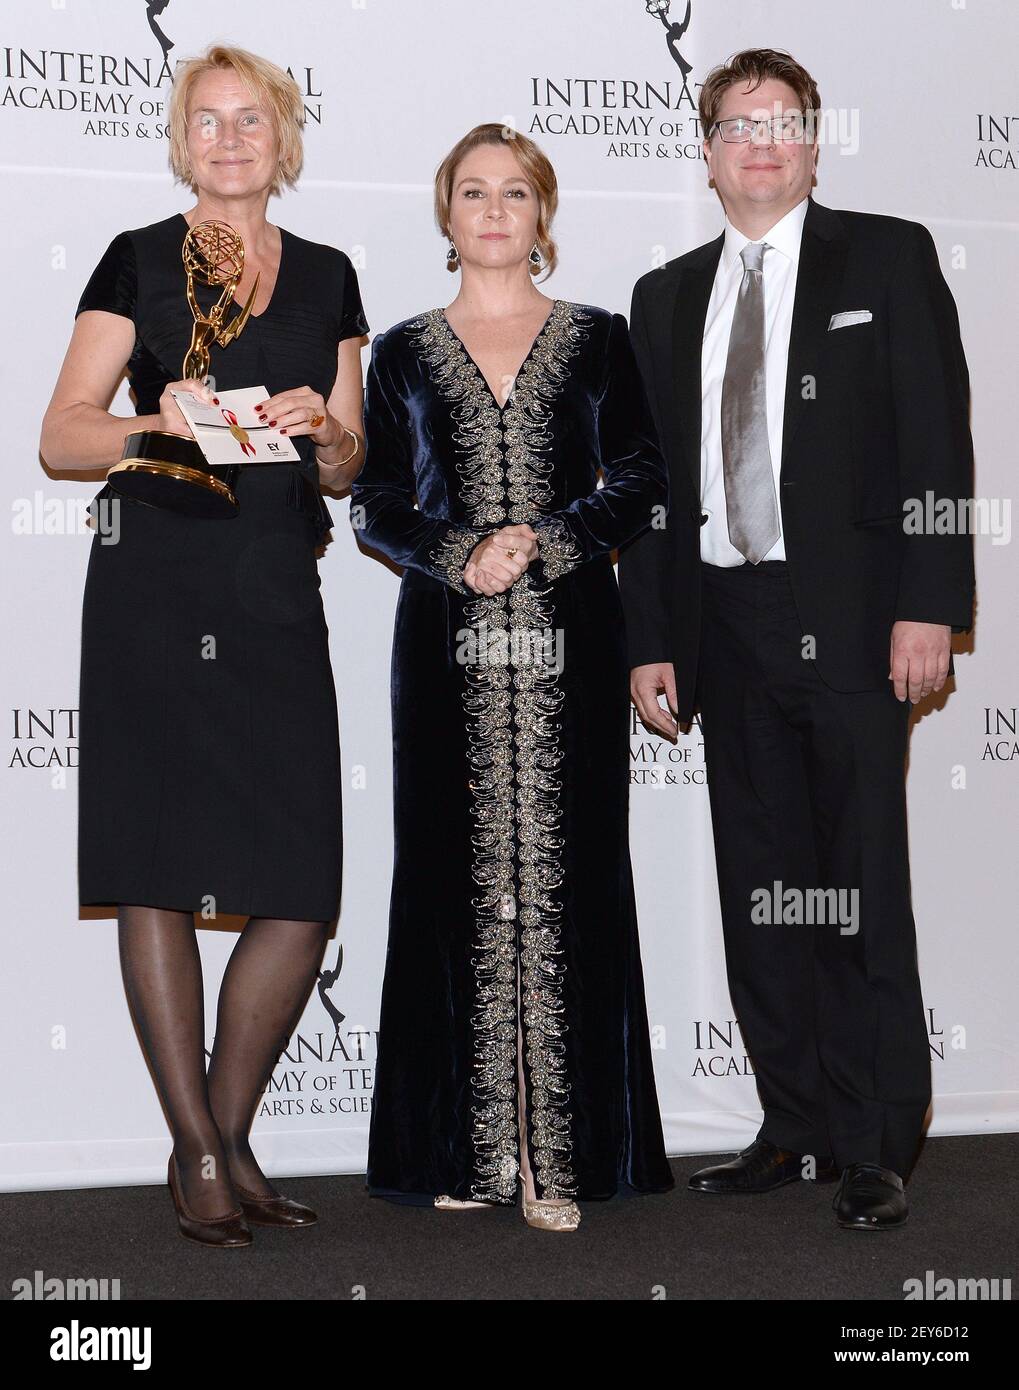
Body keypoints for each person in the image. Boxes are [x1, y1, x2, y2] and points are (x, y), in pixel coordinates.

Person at [619, 48, 975, 1231]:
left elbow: (935, 441)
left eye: (782, 125)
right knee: (764, 887)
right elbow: (659, 488)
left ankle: (876, 1141)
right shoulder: (664, 295)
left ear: (813, 149)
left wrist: (930, 604)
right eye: (736, 125)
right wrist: (651, 636)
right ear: (708, 153)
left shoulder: (887, 255)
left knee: (859, 884)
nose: (759, 143)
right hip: (725, 623)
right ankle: (793, 1125)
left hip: (861, 620)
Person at [39, 44, 368, 1247]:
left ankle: (222, 1130)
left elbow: (350, 463)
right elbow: (63, 439)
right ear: (183, 142)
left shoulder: (331, 276)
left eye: (250, 120)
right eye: (207, 121)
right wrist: (148, 414)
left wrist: (325, 426)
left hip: (276, 581)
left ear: (284, 137)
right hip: (156, 586)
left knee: (298, 882)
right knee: (158, 860)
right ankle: (199, 1152)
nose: (230, 139)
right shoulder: (137, 258)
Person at [351, 124, 674, 1230]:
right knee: (451, 879)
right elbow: (377, 502)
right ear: (445, 214)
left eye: (516, 193)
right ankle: (470, 1148)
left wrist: (544, 538)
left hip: (571, 632)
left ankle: (559, 1158)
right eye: (473, 193)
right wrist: (457, 553)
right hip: (442, 641)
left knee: (569, 873)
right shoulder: (396, 353)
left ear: (542, 212)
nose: (494, 211)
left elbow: (638, 474)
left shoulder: (595, 339)